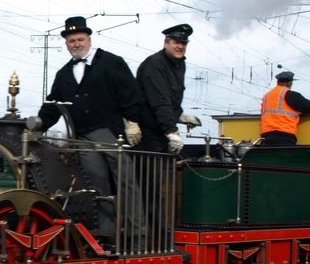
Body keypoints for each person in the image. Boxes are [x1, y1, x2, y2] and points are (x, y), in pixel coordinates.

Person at [35, 16, 143, 237]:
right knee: (96, 184)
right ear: (66, 44)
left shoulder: (112, 62)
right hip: (81, 137)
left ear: (89, 39)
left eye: (80, 39)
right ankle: (106, 232)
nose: (76, 44)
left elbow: (131, 94)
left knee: (126, 182)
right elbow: (52, 105)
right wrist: (35, 128)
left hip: (110, 133)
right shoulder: (63, 74)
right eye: (72, 40)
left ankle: (137, 234)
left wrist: (132, 122)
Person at [135, 23, 201, 154]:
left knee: (165, 169)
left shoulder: (179, 64)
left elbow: (172, 98)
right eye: (176, 42)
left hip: (161, 128)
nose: (180, 46)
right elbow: (160, 101)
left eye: (184, 43)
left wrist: (179, 115)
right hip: (148, 130)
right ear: (166, 44)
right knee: (152, 171)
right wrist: (171, 132)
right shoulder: (155, 65)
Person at [259, 70, 310, 146]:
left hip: (266, 136)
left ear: (277, 82)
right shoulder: (290, 95)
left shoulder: (266, 96)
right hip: (284, 136)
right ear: (290, 83)